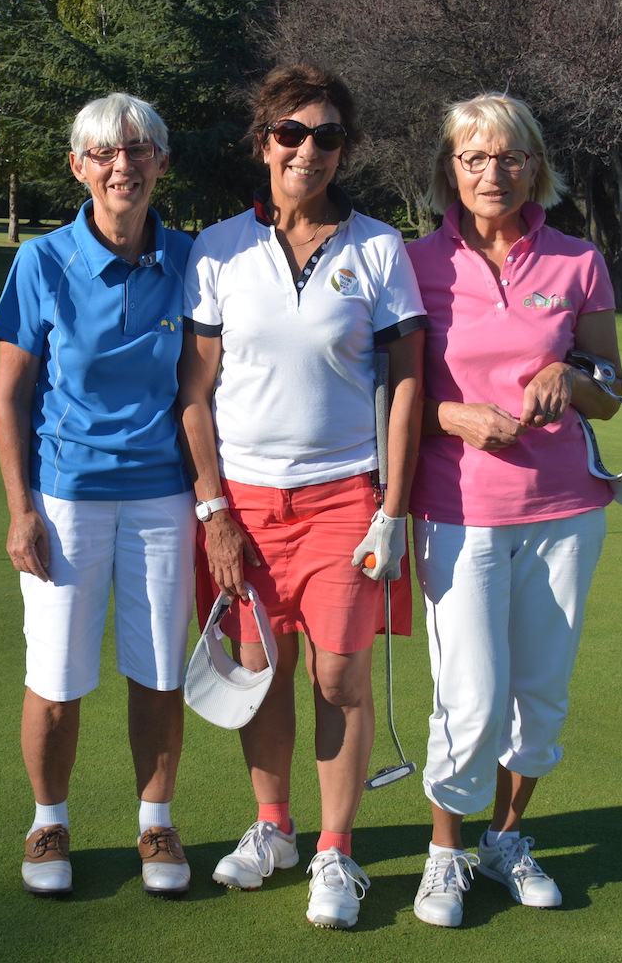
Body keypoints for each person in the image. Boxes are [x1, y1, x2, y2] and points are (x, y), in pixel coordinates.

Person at [176, 64, 426, 930]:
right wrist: (213, 511)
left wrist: (394, 507)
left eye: (325, 136)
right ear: (262, 142)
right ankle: (273, 826)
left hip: (344, 498)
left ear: (343, 149)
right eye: (290, 132)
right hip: (242, 501)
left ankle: (335, 850)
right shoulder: (217, 249)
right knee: (260, 670)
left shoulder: (378, 248)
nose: (306, 150)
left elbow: (405, 384)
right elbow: (195, 392)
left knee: (339, 673)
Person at [404, 93, 622, 928]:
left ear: (535, 165)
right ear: (448, 170)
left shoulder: (577, 261)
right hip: (456, 511)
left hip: (565, 510)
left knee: (540, 694)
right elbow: (380, 394)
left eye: (509, 157)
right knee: (469, 695)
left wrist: (572, 381)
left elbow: (611, 389)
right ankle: (444, 852)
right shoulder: (412, 262)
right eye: (473, 158)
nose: (491, 173)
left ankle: (504, 838)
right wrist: (447, 415)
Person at [0, 93, 196, 899]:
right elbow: (10, 396)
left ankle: (156, 821)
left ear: (161, 165)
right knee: (57, 675)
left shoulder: (190, 258)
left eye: (140, 149)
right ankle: (49, 821)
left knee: (157, 674)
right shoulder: (42, 261)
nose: (124, 164)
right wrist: (19, 510)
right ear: (79, 165)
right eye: (105, 152)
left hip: (163, 497)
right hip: (66, 500)